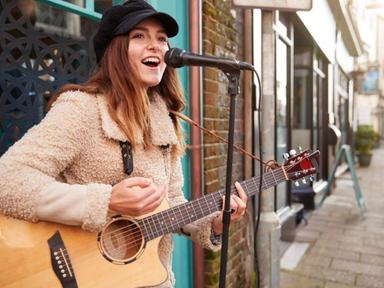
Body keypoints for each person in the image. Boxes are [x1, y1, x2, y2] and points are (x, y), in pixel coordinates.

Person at [0, 0, 247, 287]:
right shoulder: (82, 109)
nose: (155, 46)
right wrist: (105, 201)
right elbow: (8, 180)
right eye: (139, 36)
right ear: (116, 50)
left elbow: (173, 203)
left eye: (162, 39)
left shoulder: (165, 119)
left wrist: (214, 222)